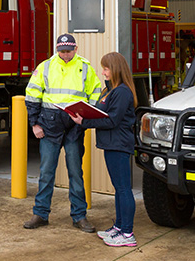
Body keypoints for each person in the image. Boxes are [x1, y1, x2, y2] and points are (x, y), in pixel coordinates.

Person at [23, 34, 102, 232]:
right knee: (46, 172)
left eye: (68, 51)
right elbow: (32, 96)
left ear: (76, 49)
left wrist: (87, 119)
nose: (65, 54)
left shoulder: (85, 67)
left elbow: (95, 93)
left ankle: (79, 216)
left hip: (75, 126)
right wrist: (34, 124)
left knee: (76, 173)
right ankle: (40, 214)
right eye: (62, 51)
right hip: (49, 125)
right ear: (57, 49)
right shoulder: (46, 66)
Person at [70, 52, 137, 247]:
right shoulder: (110, 90)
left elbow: (112, 119)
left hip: (119, 145)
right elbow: (104, 113)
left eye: (106, 68)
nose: (103, 72)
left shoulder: (122, 92)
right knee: (119, 188)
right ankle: (119, 226)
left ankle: (127, 234)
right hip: (111, 144)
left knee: (123, 189)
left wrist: (85, 121)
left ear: (115, 69)